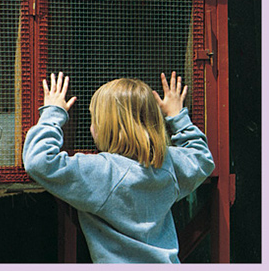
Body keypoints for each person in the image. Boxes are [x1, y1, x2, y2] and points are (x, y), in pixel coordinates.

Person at [22, 71, 215, 263]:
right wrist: (177, 116)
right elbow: (202, 159)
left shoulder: (103, 171)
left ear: (105, 126)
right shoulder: (167, 163)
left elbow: (39, 161)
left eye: (93, 119)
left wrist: (53, 112)